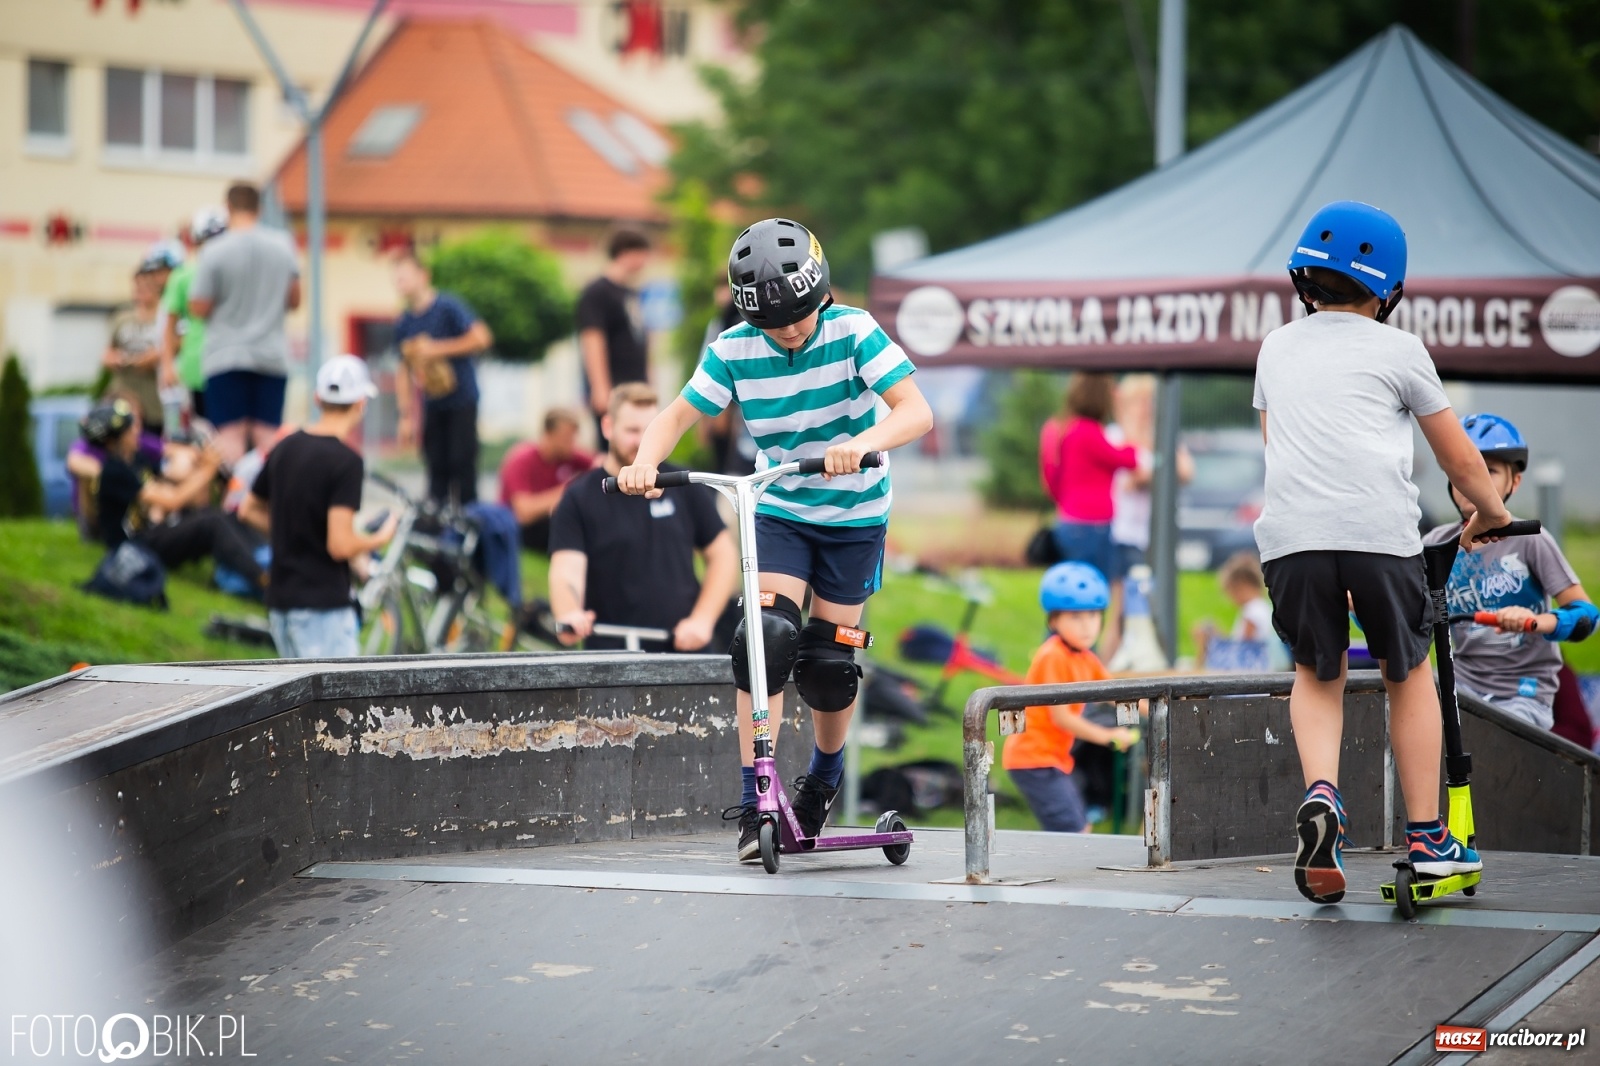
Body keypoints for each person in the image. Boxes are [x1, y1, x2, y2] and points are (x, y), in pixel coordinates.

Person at [614, 218, 934, 862]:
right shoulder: (733, 349)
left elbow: (915, 411)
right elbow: (677, 415)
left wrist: (861, 444)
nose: (791, 330)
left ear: (820, 295)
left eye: (801, 315)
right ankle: (755, 795)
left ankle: (822, 777)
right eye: (775, 322)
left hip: (854, 516)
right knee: (764, 641)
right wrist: (644, 461)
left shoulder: (853, 331)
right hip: (780, 506)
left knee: (828, 668)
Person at [1256, 200, 1515, 906]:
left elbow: (1279, 445)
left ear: (1303, 281)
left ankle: (1322, 797)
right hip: (1379, 537)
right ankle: (1429, 838)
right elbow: (1460, 459)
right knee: (1409, 674)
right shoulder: (1400, 351)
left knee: (1318, 671)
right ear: (1388, 290)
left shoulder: (1277, 346)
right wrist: (1491, 513)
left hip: (1292, 538)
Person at [1422, 414, 1595, 730]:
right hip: (1461, 685)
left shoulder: (1531, 539)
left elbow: (1586, 615)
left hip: (1524, 692)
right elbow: (1404, 620)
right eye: (1464, 469)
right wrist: (1359, 607)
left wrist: (1537, 622)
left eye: (1488, 471)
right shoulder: (1435, 545)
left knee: (1502, 745)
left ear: (1514, 482)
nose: (1472, 482)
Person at [549, 383, 736, 653]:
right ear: (608, 427)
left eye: (649, 431)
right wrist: (569, 613)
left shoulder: (683, 485)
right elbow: (566, 569)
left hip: (684, 650)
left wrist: (702, 620)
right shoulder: (579, 498)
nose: (641, 442)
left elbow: (723, 555)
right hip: (612, 653)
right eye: (632, 431)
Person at [239, 356, 398, 659]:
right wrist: (381, 538)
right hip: (323, 606)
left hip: (281, 603)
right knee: (339, 705)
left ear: (317, 398)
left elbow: (248, 509)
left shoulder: (286, 447)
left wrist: (296, 530)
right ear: (361, 404)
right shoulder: (347, 461)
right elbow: (339, 545)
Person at [1002, 563, 1139, 832]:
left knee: (1078, 830)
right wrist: (1108, 736)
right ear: (1054, 621)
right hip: (1033, 760)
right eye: (1076, 617)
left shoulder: (1085, 657)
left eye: (1093, 615)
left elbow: (1115, 694)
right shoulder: (1053, 655)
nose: (1087, 626)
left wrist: (1161, 706)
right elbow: (1062, 717)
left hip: (1054, 758)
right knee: (1075, 833)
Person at [83, 400, 266, 589]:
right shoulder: (114, 471)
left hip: (151, 534)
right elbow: (171, 501)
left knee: (219, 515)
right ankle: (262, 578)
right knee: (212, 524)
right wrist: (206, 471)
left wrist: (202, 467)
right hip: (133, 547)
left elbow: (170, 484)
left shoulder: (135, 460)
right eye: (131, 429)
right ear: (115, 439)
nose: (137, 432)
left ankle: (265, 556)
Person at [189, 182, 300, 464]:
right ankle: (267, 501)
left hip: (226, 355)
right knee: (267, 436)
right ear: (259, 209)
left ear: (228, 208)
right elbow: (295, 299)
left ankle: (236, 503)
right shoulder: (283, 245)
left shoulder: (214, 250)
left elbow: (198, 306)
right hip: (271, 354)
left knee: (230, 437)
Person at [392, 251, 492, 506]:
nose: (399, 282)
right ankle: (437, 537)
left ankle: (470, 530)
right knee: (437, 471)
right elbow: (402, 369)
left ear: (423, 276)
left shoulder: (448, 307)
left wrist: (436, 349)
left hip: (462, 400)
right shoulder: (405, 321)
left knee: (463, 467)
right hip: (433, 403)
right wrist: (405, 416)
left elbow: (481, 338)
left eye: (404, 276)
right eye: (396, 277)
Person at [1102, 374, 1191, 660]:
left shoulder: (1158, 438)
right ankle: (1100, 686)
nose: (1148, 408)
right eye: (1142, 402)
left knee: (1146, 612)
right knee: (1121, 612)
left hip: (1150, 538)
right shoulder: (1115, 436)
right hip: (1125, 536)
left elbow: (1186, 471)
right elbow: (1134, 478)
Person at [1040, 372, 1144, 589]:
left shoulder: (1056, 428)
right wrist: (1125, 416)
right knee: (1092, 593)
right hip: (1093, 524)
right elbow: (1130, 458)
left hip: (1067, 520)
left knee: (1067, 592)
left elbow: (1049, 478)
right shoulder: (1089, 431)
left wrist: (1067, 503)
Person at [577, 230, 651, 449]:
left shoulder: (629, 293)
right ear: (626, 253)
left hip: (635, 385)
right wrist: (600, 389)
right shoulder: (597, 292)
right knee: (613, 450)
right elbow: (592, 339)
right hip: (614, 388)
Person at [160, 206, 228, 421]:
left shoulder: (233, 271)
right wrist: (168, 365)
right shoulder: (183, 275)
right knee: (205, 430)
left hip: (229, 361)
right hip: (197, 366)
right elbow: (169, 323)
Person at [499, 408, 594, 553]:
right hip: (518, 530)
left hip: (549, 522)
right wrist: (568, 490)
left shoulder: (568, 454)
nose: (573, 444)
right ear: (549, 435)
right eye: (567, 438)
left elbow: (601, 464)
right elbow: (523, 513)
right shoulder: (521, 459)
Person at [103, 255, 171, 438]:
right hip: (122, 394)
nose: (141, 291)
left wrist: (148, 358)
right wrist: (117, 359)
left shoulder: (165, 317)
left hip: (153, 403)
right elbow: (107, 354)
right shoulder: (122, 317)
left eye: (146, 286)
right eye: (137, 286)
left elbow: (169, 348)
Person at [1192, 551, 1286, 670]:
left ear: (1241, 587)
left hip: (1248, 668)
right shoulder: (1262, 606)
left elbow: (1244, 644)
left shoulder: (1252, 611)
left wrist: (1214, 640)